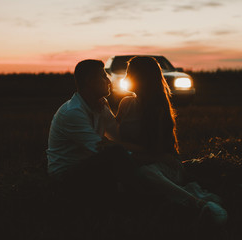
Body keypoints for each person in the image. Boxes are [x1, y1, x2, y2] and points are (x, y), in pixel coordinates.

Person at [115, 56, 228, 227]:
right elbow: (115, 135)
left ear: (142, 78)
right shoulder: (125, 103)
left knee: (147, 173)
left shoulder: (157, 110)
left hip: (164, 166)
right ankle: (188, 196)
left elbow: (157, 154)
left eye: (131, 74)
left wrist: (123, 149)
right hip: (136, 161)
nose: (126, 78)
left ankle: (200, 203)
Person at [46, 59, 133, 200]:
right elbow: (99, 148)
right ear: (89, 81)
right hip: (66, 176)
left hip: (87, 166)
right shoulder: (73, 112)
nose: (109, 81)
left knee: (118, 153)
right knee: (116, 153)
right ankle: (134, 199)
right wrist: (142, 156)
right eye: (103, 76)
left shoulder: (100, 106)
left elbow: (117, 135)